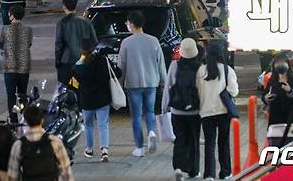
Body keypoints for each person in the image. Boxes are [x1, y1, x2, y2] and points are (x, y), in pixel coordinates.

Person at [118, 10, 167, 157]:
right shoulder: (153, 41)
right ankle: (151, 131)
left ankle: (139, 148)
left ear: (131, 24)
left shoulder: (126, 43)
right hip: (151, 81)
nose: (127, 25)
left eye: (127, 23)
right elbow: (161, 63)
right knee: (150, 110)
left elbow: (122, 66)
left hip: (133, 83)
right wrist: (163, 80)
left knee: (136, 116)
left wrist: (119, 85)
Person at [197, 43, 238, 180]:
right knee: (223, 143)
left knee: (209, 144)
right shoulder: (227, 70)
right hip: (223, 111)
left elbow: (196, 91)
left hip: (206, 112)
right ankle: (225, 172)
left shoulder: (201, 71)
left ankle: (209, 174)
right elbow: (234, 91)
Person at [162, 38, 201, 180]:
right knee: (193, 140)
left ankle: (178, 167)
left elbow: (168, 87)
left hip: (177, 111)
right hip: (194, 111)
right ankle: (194, 171)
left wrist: (164, 106)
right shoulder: (200, 67)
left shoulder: (174, 65)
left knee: (180, 138)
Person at [7, 104, 74, 181]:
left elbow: (12, 174)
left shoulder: (18, 145)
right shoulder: (54, 141)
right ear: (42, 120)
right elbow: (66, 170)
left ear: (26, 122)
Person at [71, 39, 111, 162]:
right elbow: (115, 73)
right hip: (102, 98)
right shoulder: (103, 60)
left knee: (88, 125)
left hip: (86, 100)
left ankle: (89, 149)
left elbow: (73, 85)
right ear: (94, 48)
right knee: (103, 124)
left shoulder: (78, 66)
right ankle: (104, 150)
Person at [54, 0, 98, 86]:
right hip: (83, 61)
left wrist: (57, 61)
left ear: (64, 7)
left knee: (69, 89)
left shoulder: (62, 23)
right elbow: (94, 42)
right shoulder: (86, 22)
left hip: (66, 62)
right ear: (76, 6)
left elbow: (58, 45)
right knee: (82, 88)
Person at [0, 5, 33, 117]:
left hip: (9, 67)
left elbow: (1, 45)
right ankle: (26, 120)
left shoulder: (5, 29)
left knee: (11, 97)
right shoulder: (28, 30)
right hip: (24, 67)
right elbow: (28, 44)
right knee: (23, 95)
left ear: (12, 15)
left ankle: (14, 121)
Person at [263, 54, 293, 146]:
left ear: (287, 64)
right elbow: (264, 94)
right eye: (277, 63)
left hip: (291, 117)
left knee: (292, 145)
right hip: (275, 118)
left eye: (282, 62)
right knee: (276, 145)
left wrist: (290, 91)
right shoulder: (272, 80)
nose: (280, 65)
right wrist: (266, 98)